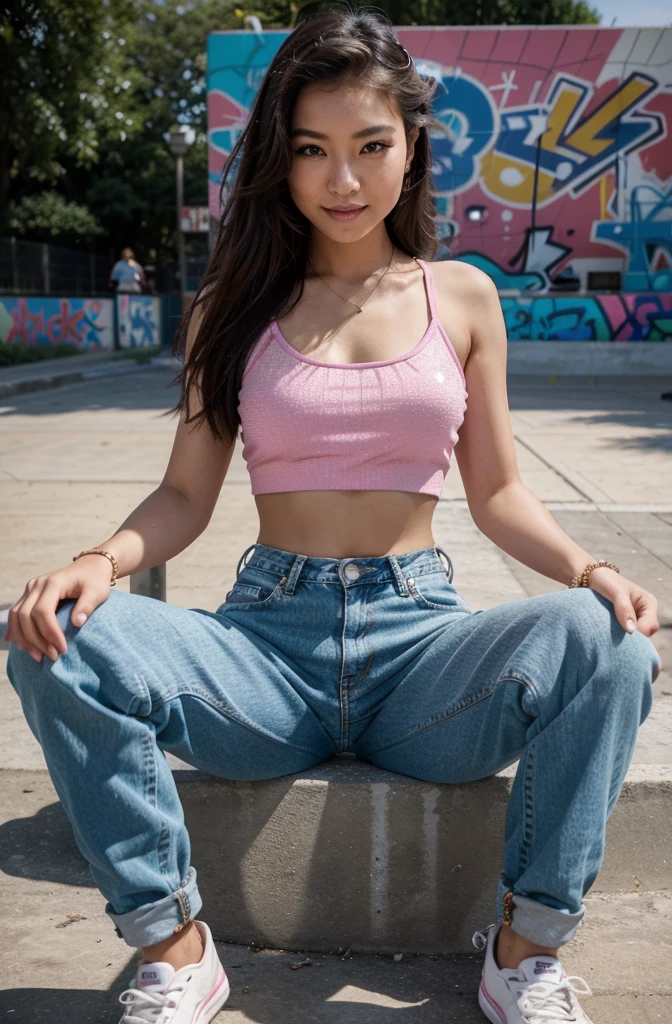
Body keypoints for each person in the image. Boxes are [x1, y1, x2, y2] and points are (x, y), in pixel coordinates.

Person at [4, 9, 662, 1024]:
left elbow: (495, 493)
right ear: (281, 157)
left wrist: (589, 572)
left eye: (369, 146)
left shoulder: (465, 298)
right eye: (312, 150)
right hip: (265, 655)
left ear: (412, 146)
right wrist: (101, 558)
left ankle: (525, 949)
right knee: (51, 637)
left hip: (422, 657)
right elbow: (186, 493)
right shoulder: (231, 305)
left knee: (609, 643)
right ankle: (176, 948)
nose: (342, 180)